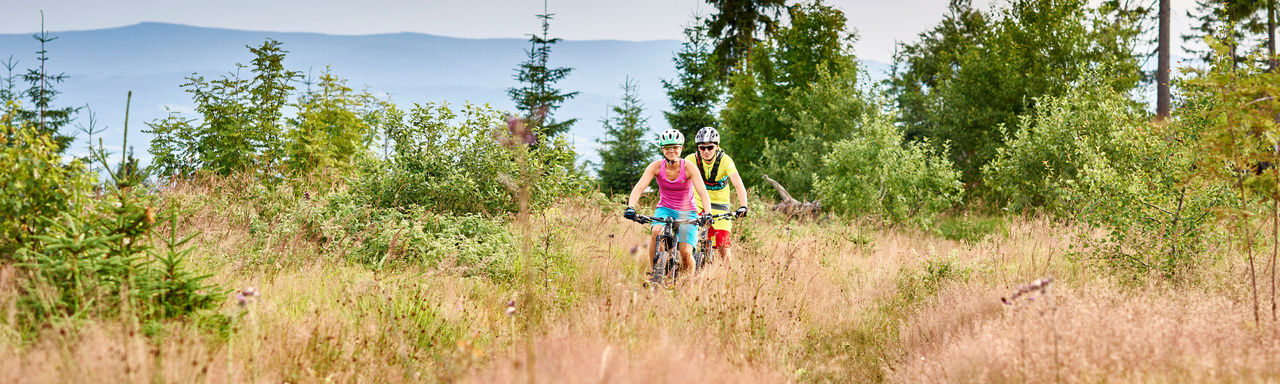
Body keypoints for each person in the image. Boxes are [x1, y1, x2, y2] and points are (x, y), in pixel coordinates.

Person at [624, 129, 713, 280]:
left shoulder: (689, 167)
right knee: (656, 232)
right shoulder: (656, 166)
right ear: (662, 149)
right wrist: (631, 207)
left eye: (675, 147)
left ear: (681, 149)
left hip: (687, 211)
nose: (671, 151)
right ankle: (655, 274)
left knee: (685, 252)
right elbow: (639, 187)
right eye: (667, 147)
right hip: (665, 209)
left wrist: (707, 213)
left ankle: (689, 281)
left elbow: (703, 193)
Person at [684, 126, 748, 266]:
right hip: (698, 203)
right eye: (702, 148)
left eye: (710, 147)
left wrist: (743, 206)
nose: (706, 151)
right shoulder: (690, 160)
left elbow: (738, 184)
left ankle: (729, 278)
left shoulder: (725, 161)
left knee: (723, 246)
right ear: (698, 148)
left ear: (717, 146)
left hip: (720, 205)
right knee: (689, 239)